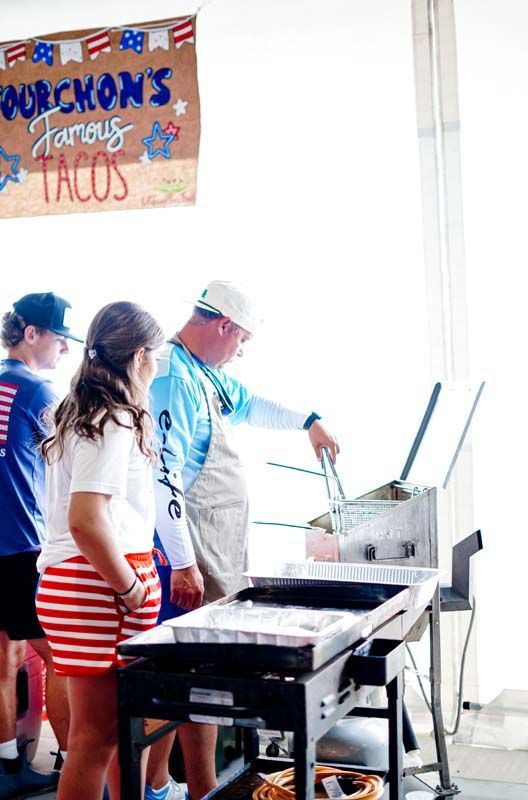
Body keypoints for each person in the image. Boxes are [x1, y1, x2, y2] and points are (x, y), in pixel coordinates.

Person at [146, 281, 339, 800]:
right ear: (223, 325)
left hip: (210, 546)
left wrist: (309, 421)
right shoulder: (171, 377)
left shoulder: (206, 372)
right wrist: (182, 563)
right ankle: (169, 788)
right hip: (183, 552)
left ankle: (175, 787)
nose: (241, 351)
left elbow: (251, 405)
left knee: (189, 676)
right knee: (175, 678)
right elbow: (163, 476)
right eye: (242, 340)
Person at [36, 301, 165, 800]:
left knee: (109, 737)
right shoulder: (113, 417)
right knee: (97, 739)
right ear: (137, 357)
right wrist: (131, 589)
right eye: (154, 356)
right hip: (99, 588)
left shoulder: (78, 411)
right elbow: (86, 520)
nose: (156, 366)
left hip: (79, 584)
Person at [0, 292, 79, 799]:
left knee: (1, 659)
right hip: (22, 549)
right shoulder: (40, 392)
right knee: (66, 658)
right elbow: (78, 463)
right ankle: (77, 767)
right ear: (32, 334)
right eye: (61, 339)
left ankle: (6, 767)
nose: (65, 352)